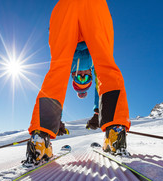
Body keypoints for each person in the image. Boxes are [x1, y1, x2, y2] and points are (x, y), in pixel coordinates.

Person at [24, 0, 131, 166]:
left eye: (83, 78)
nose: (83, 75)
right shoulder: (91, 67)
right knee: (104, 66)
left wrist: (97, 112)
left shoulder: (72, 66)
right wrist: (58, 119)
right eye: (83, 78)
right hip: (94, 7)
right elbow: (100, 81)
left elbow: (95, 84)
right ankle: (114, 134)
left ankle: (40, 140)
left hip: (64, 9)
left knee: (58, 71)